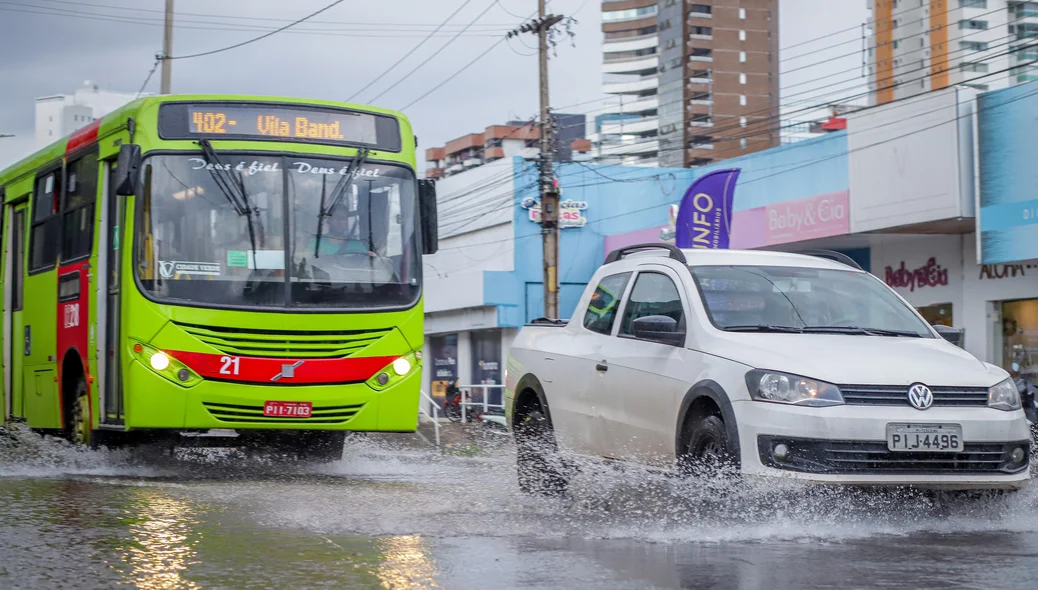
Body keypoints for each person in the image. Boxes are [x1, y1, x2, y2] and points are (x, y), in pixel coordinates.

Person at [306, 207, 378, 258]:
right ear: (329, 220)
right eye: (337, 218)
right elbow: (306, 261)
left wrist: (373, 258)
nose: (340, 222)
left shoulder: (357, 244)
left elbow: (367, 264)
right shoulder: (316, 242)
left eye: (343, 218)